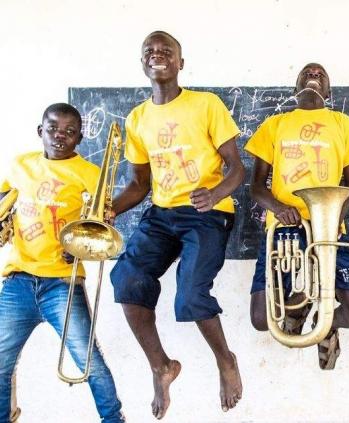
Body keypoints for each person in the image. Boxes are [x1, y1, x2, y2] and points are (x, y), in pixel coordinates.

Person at [109, 31, 244, 418]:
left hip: (206, 214)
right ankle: (162, 367)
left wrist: (216, 194)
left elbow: (237, 169)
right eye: (149, 51)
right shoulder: (137, 118)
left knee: (189, 297)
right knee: (127, 280)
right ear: (142, 63)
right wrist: (111, 210)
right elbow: (139, 185)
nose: (158, 56)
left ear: (180, 63)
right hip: (161, 213)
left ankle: (226, 359)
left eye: (166, 51)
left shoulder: (206, 104)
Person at [0, 103, 125, 422]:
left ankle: (114, 419)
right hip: (17, 281)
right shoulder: (19, 165)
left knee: (90, 363)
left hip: (61, 285)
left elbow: (101, 226)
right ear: (40, 131)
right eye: (53, 128)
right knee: (0, 363)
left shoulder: (90, 174)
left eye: (70, 131)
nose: (60, 135)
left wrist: (82, 247)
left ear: (79, 138)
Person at [246, 63, 349, 370]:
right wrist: (278, 208)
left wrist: (329, 225)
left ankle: (326, 323)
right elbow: (255, 187)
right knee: (261, 319)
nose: (313, 74)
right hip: (283, 229)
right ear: (295, 88)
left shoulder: (343, 123)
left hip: (328, 230)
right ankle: (297, 308)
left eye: (320, 74)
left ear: (328, 91)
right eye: (306, 72)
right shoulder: (275, 124)